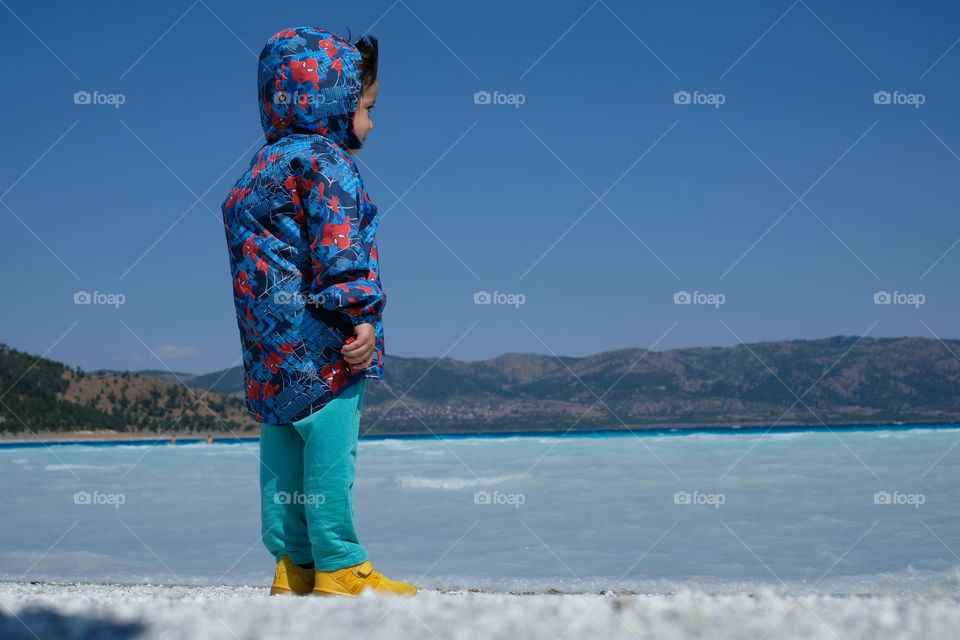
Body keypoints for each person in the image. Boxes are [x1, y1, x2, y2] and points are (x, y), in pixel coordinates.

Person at [221, 26, 415, 597]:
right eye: (367, 107)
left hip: (267, 349)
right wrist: (360, 316)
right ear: (331, 100)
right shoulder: (328, 163)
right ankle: (340, 566)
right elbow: (338, 244)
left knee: (282, 461)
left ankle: (293, 566)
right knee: (331, 455)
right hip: (324, 342)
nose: (372, 123)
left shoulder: (256, 171)